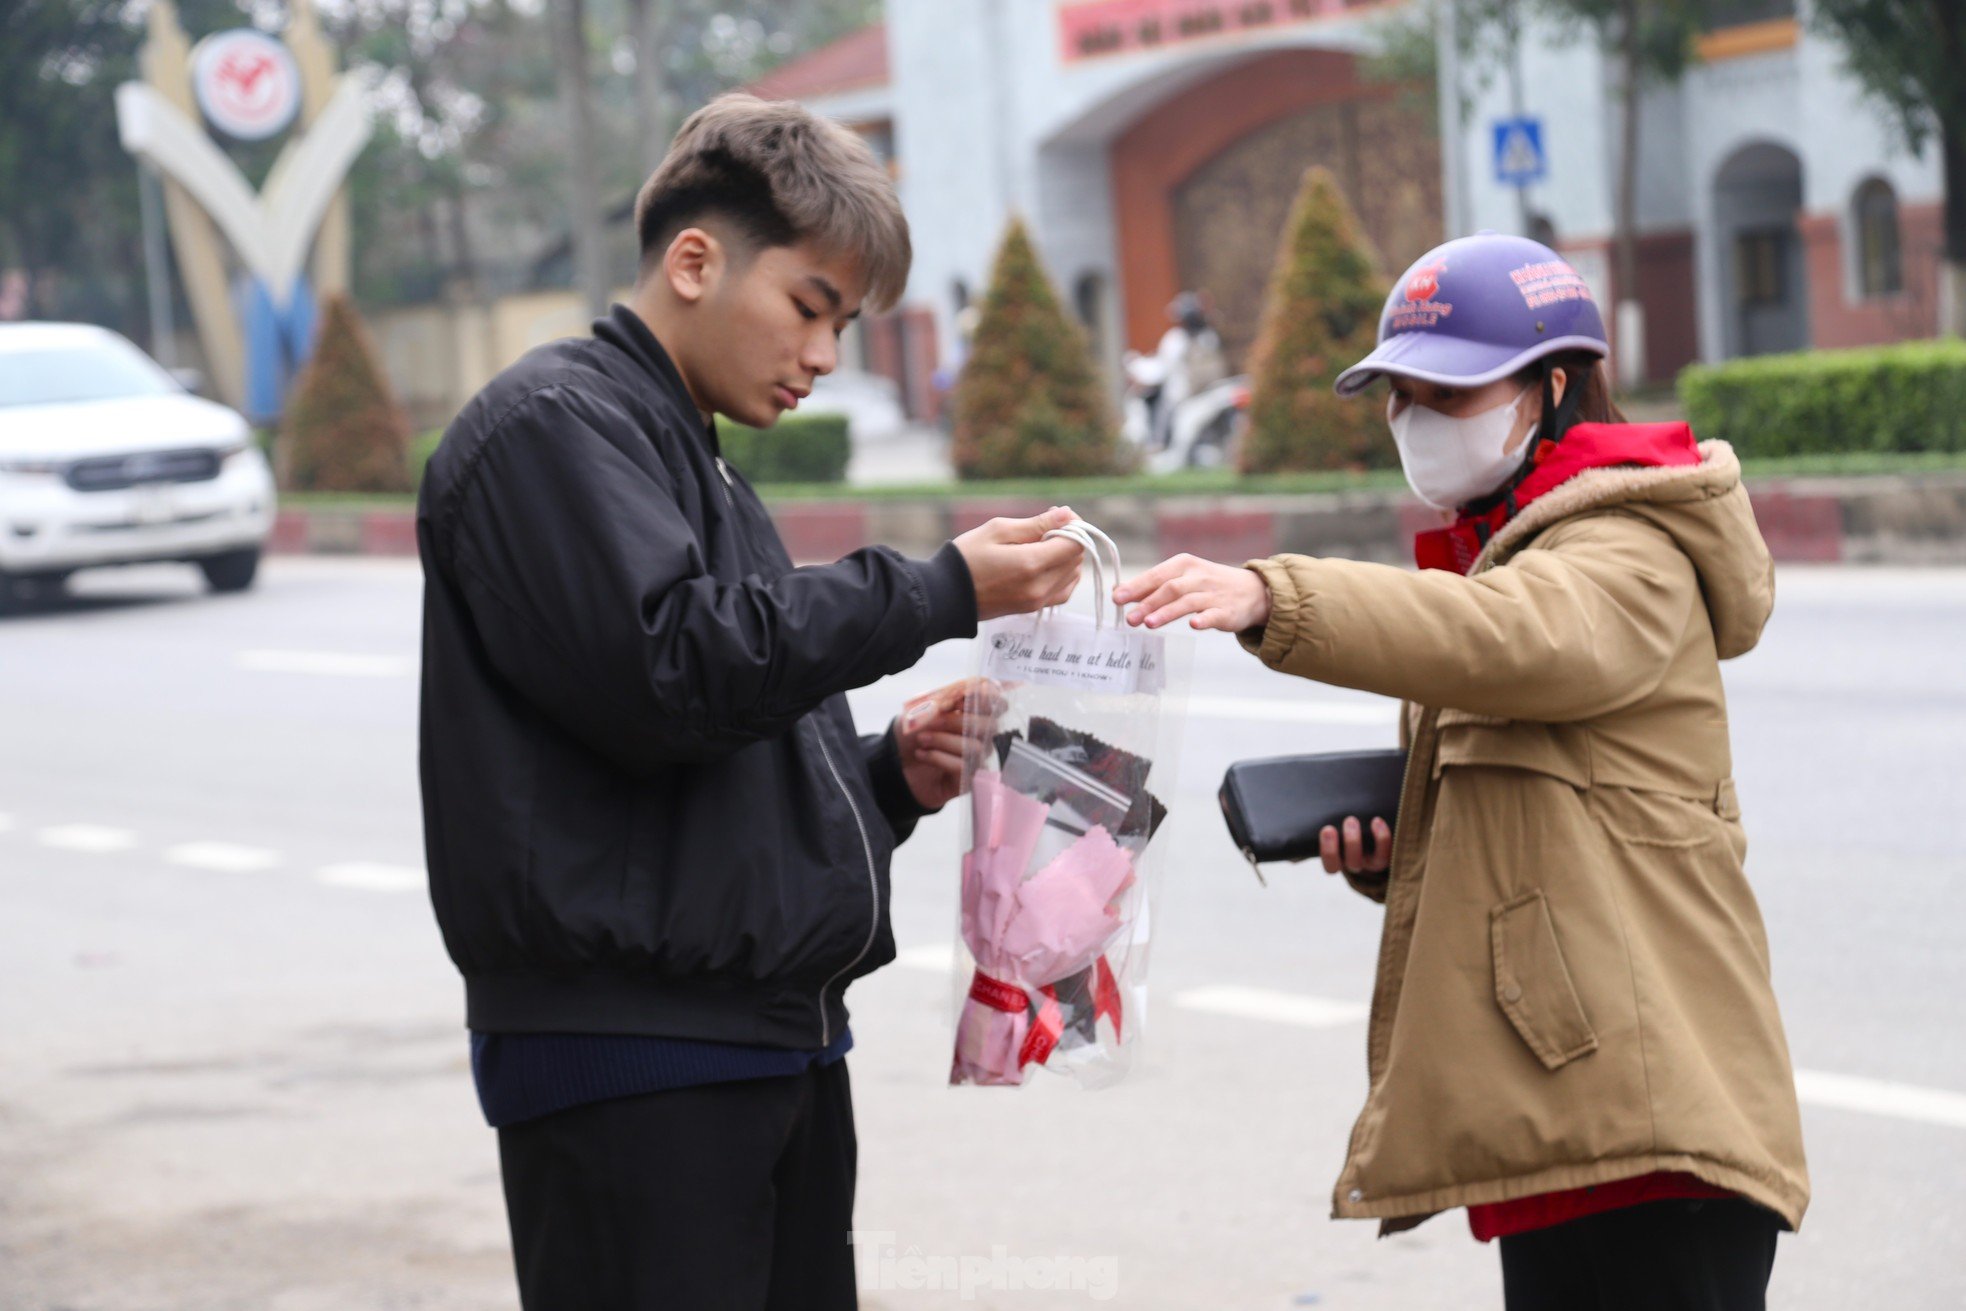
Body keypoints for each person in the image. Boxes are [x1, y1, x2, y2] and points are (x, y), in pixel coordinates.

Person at [414, 94, 1084, 1310]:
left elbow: (713, 748)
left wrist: (888, 778)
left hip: (765, 1041)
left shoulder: (693, 460)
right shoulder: (551, 429)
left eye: (844, 323)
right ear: (693, 260)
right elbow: (669, 675)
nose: (824, 357)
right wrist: (938, 587)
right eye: (809, 308)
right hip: (633, 1069)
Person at [1113, 233, 1808, 1310]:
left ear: (1555, 383)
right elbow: (1550, 816)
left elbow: (1515, 641)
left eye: (1446, 389)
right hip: (1569, 1122)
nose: (1415, 418)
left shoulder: (1631, 546)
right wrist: (1399, 857)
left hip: (1654, 1122)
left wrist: (1273, 596)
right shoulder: (1512, 550)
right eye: (1397, 395)